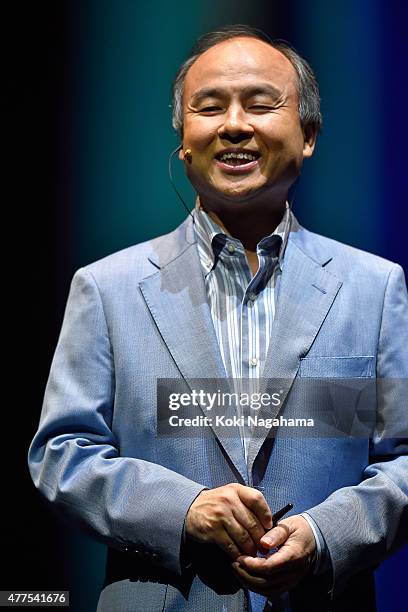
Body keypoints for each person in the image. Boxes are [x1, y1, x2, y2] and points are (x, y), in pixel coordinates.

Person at [28, 24, 407, 612]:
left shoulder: (375, 289)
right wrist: (183, 510)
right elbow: (62, 453)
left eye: (260, 104)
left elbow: (403, 461)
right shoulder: (106, 288)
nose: (234, 124)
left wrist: (323, 535)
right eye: (209, 107)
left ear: (308, 135)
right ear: (183, 139)